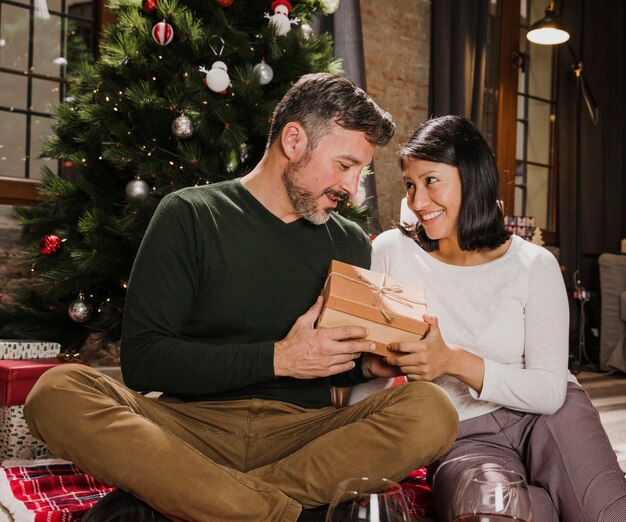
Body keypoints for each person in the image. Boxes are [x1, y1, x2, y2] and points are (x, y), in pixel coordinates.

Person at [24, 73, 459, 522]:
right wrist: (277, 359)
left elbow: (328, 359)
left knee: (432, 410)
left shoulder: (349, 241)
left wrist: (368, 364)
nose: (352, 189)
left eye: (359, 172)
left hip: (303, 437)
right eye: (345, 165)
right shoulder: (190, 215)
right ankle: (273, 513)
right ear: (294, 140)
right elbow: (143, 361)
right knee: (56, 391)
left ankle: (208, 502)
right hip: (188, 431)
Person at [353, 114, 626, 521]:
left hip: (548, 417)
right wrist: (370, 373)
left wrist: (451, 361)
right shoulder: (392, 251)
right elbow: (370, 372)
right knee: (489, 516)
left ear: (471, 177)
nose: (417, 201)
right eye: (410, 185)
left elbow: (550, 391)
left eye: (431, 181)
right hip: (463, 435)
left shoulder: (534, 263)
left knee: (607, 514)